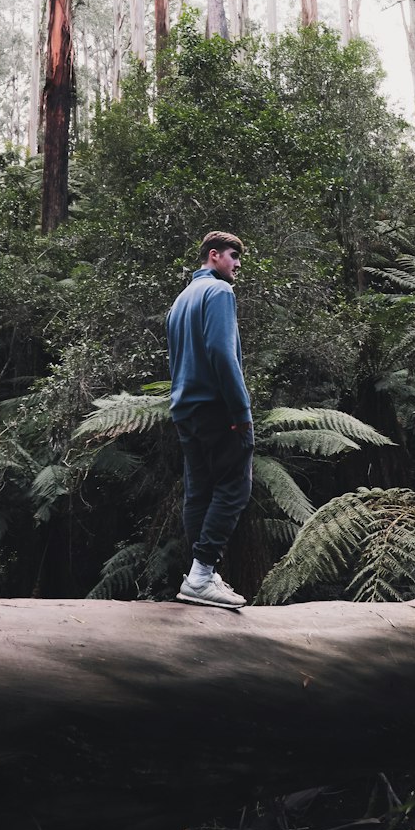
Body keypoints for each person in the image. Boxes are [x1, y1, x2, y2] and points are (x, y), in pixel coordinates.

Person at [166, 230, 254, 609]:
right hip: (216, 407)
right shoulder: (219, 292)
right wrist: (241, 411)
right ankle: (202, 574)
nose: (237, 265)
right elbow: (222, 352)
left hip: (185, 408)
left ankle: (199, 575)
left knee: (199, 490)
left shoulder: (180, 300)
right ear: (214, 255)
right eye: (234, 256)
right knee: (235, 486)